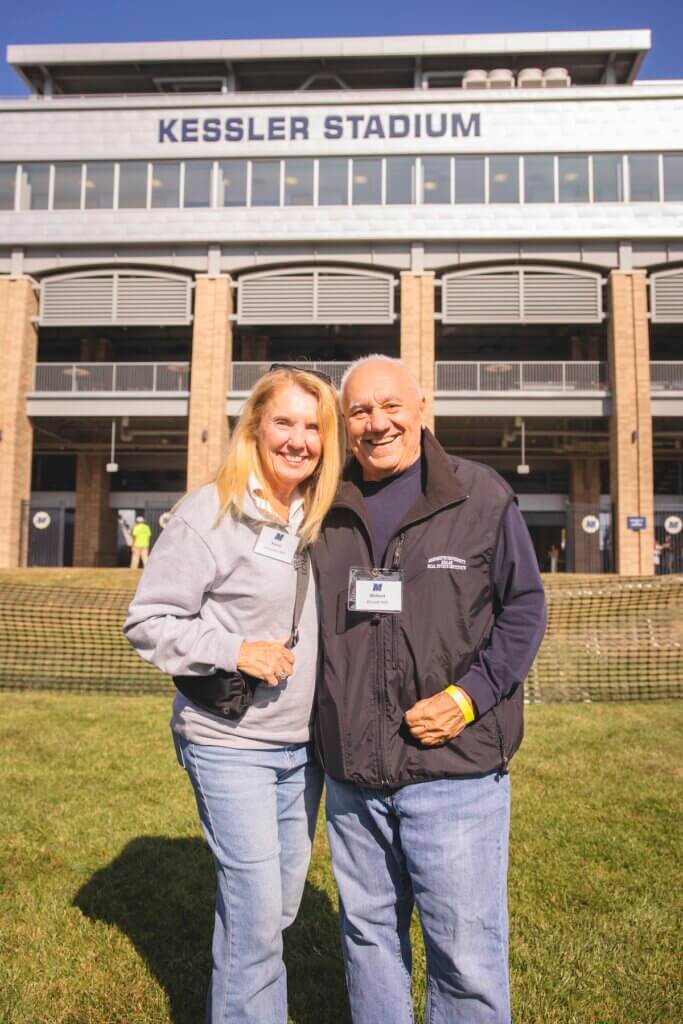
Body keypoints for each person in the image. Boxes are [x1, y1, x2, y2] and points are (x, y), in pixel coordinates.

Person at [312, 355, 547, 1024]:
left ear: (422, 407)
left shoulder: (480, 494)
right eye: (359, 411)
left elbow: (524, 607)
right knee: (368, 943)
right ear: (343, 421)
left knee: (465, 957)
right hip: (353, 778)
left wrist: (468, 697)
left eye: (390, 406)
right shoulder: (323, 502)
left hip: (453, 774)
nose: (376, 423)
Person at [124, 366, 343, 1024]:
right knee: (254, 918)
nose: (298, 440)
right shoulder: (209, 512)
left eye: (313, 427)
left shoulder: (320, 514)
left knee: (276, 906)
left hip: (302, 749)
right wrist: (234, 650)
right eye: (285, 422)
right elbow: (147, 621)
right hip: (229, 742)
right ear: (255, 426)